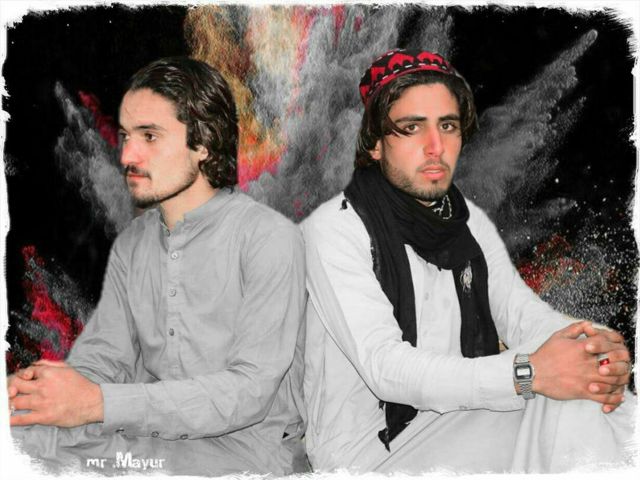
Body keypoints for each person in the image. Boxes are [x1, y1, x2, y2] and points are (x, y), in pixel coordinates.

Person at [301, 49, 635, 474]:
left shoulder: (467, 221)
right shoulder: (334, 229)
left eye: (447, 125)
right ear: (375, 145)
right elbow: (386, 367)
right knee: (570, 401)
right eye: (411, 128)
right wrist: (528, 373)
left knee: (590, 391)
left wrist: (595, 346)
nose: (435, 147)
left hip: (457, 417)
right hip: (371, 452)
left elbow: (521, 315)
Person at [8, 57, 307, 476]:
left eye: (149, 136)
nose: (127, 154)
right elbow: (103, 358)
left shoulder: (268, 238)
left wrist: (99, 403)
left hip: (245, 453)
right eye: (126, 136)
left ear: (203, 144)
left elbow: (247, 393)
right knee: (19, 432)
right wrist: (39, 393)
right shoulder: (133, 244)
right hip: (146, 437)